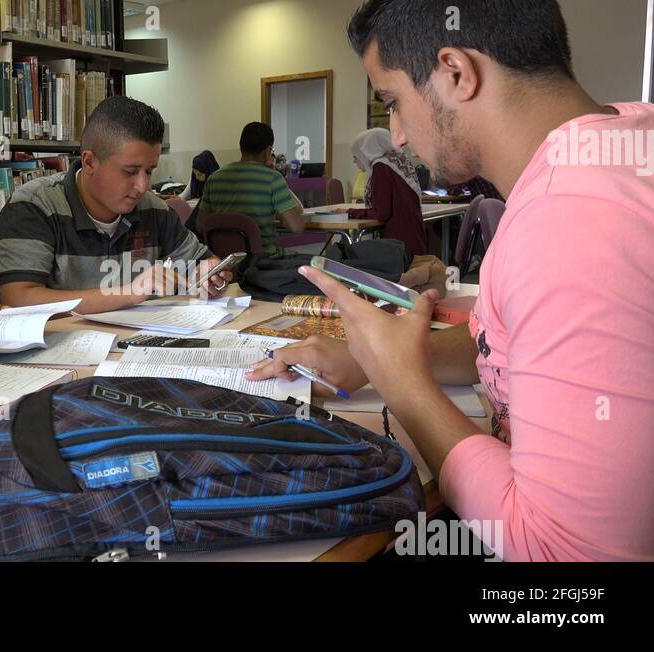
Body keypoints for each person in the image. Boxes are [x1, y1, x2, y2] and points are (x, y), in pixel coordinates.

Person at [247, 0, 653, 561]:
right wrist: (374, 359)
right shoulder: (623, 143)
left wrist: (403, 384)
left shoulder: (572, 219)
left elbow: (563, 561)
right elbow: (518, 341)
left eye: (392, 103)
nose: (399, 136)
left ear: (456, 73)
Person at [0, 96, 232, 313]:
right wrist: (130, 293)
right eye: (130, 171)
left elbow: (203, 262)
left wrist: (210, 274)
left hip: (129, 352)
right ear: (89, 162)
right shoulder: (32, 208)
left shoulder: (155, 210)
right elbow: (18, 299)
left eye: (149, 171)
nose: (143, 186)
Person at [197, 122, 305, 255]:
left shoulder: (213, 178)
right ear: (267, 151)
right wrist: (276, 178)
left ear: (241, 147)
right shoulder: (272, 179)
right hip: (263, 261)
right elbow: (297, 227)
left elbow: (200, 225)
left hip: (225, 263)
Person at [347, 128, 427, 255]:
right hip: (413, 233)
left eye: (356, 155)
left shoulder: (381, 168)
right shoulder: (398, 161)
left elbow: (382, 213)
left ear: (367, 151)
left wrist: (352, 213)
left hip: (399, 241)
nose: (355, 161)